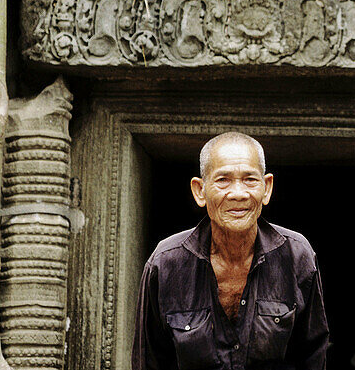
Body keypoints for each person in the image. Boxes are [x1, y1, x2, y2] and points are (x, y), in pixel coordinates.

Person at [133, 132, 329, 370]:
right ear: (200, 191)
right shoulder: (165, 264)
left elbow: (313, 357)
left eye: (250, 180)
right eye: (223, 180)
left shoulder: (297, 256)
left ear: (266, 188)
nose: (238, 193)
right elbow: (148, 361)